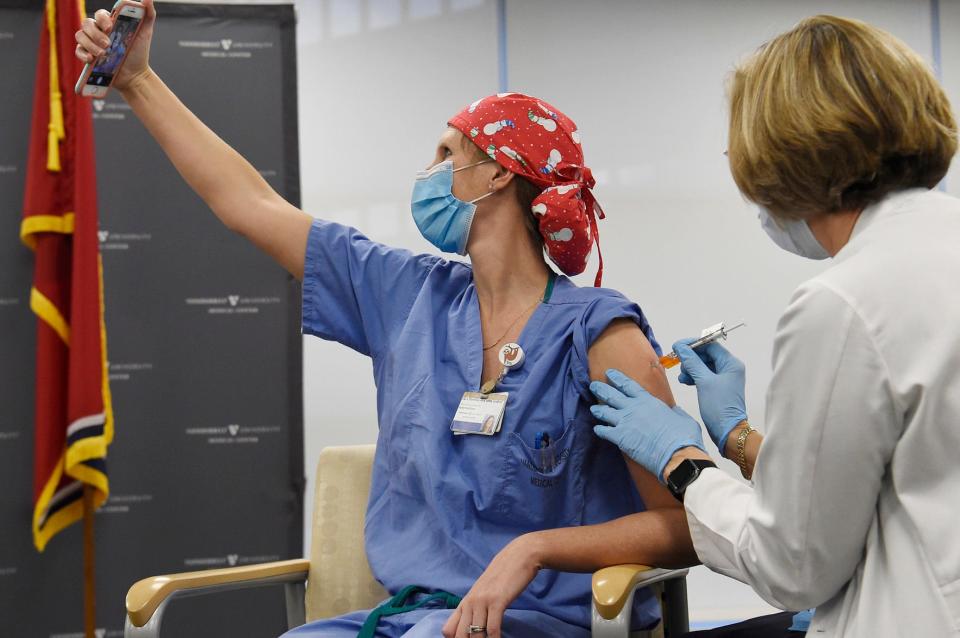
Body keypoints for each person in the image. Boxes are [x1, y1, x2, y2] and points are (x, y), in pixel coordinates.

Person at [75, 2, 698, 637]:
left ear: (498, 174)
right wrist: (137, 80)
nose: (427, 172)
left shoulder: (600, 335)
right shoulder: (407, 295)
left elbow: (686, 524)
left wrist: (533, 549)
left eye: (446, 152)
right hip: (414, 621)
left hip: (542, 623)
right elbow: (249, 204)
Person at [589, 14, 960, 637]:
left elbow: (793, 565)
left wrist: (685, 463)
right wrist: (737, 434)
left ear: (784, 154)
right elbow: (901, 468)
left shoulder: (843, 302)